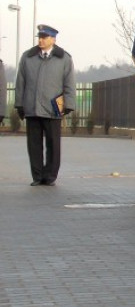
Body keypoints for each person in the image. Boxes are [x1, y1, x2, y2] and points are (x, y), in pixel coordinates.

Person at [15, 24, 76, 186]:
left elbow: (69, 83)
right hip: (32, 108)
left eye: (44, 37)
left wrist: (68, 104)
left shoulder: (64, 58)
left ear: (53, 39)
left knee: (53, 145)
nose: (41, 40)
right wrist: (19, 104)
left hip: (52, 109)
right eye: (39, 37)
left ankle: (50, 176)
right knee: (33, 145)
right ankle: (37, 176)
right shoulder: (27, 57)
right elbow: (20, 82)